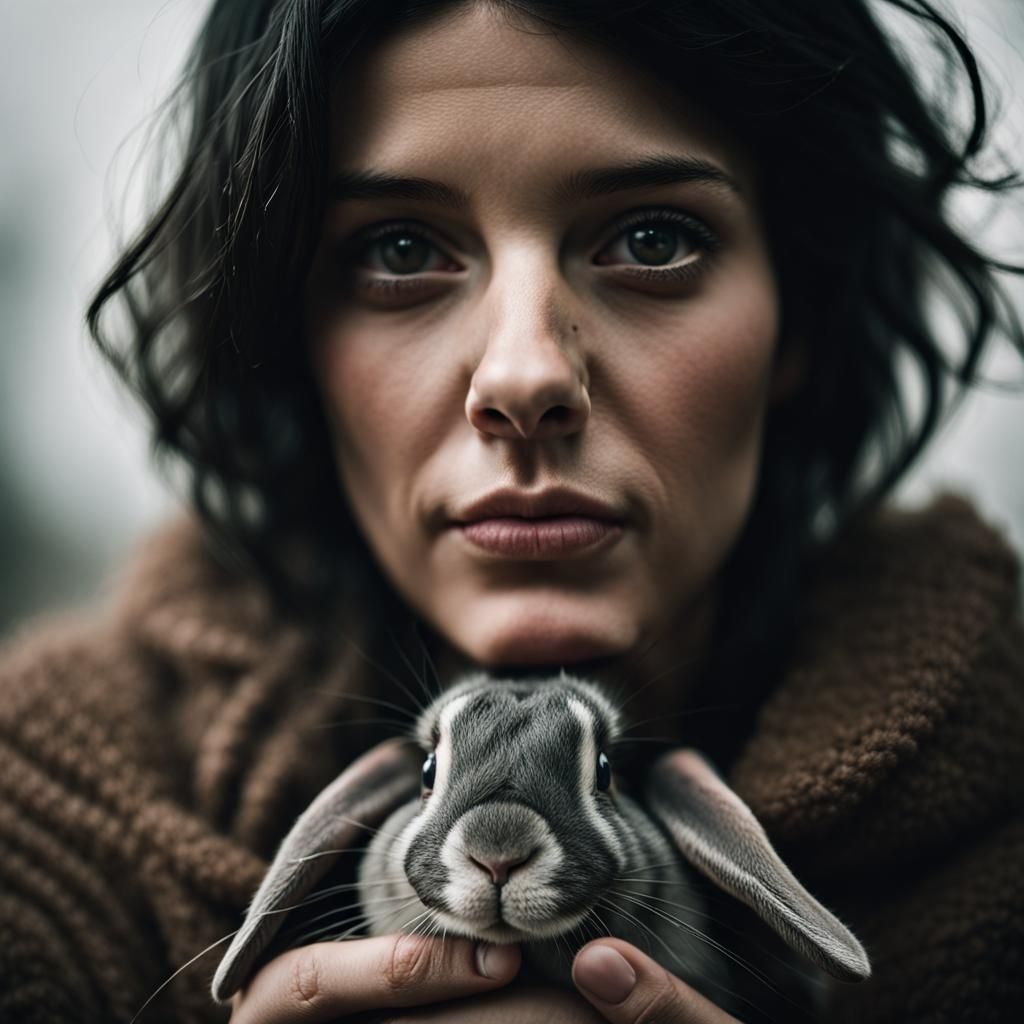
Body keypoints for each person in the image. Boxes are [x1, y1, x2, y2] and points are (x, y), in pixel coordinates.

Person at [1, 0, 1022, 1021]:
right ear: (290, 330)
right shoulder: (35, 822)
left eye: (653, 237)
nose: (524, 374)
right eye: (400, 250)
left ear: (797, 312)